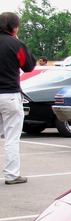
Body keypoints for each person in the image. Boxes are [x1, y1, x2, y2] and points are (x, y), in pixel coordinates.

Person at [0, 11, 35, 185]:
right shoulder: (15, 44)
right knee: (11, 138)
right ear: (14, 27)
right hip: (9, 95)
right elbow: (29, 66)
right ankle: (12, 175)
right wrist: (18, 40)